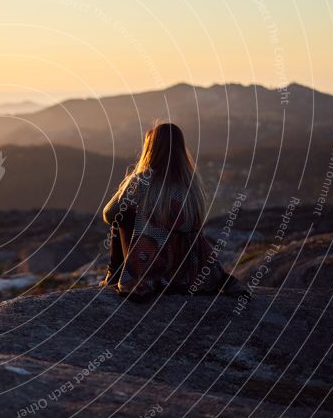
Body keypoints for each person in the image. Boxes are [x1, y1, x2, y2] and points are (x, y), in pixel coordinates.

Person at [101, 122, 248, 302]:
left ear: (151, 149)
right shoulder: (191, 183)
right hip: (188, 271)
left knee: (122, 215)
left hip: (153, 266)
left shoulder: (143, 180)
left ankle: (115, 275)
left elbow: (109, 215)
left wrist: (131, 198)